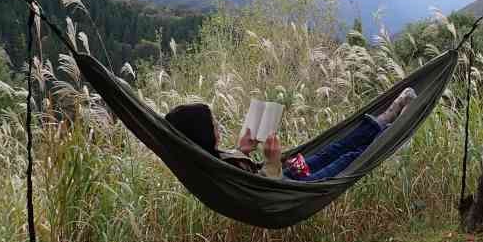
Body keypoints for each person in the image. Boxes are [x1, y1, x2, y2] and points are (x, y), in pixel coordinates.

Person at [164, 87, 417, 182]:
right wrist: (272, 161)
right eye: (213, 124)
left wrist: (243, 150)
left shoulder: (208, 157)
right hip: (293, 188)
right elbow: (261, 191)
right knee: (347, 157)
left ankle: (388, 116)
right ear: (202, 133)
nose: (218, 126)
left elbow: (240, 170)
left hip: (289, 174)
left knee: (334, 148)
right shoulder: (210, 167)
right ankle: (395, 134)